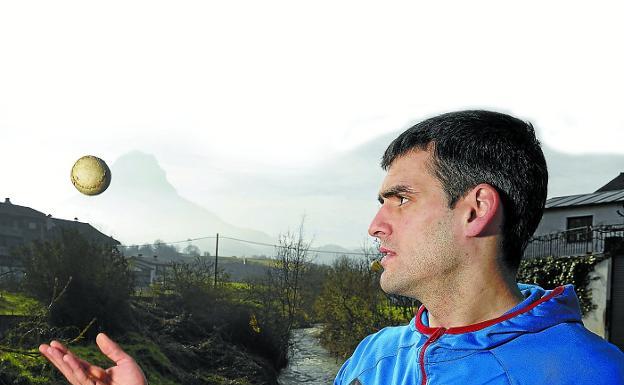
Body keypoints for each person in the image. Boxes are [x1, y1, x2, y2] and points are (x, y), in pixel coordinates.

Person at [40, 110, 624, 385]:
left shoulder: (591, 376)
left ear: (475, 209)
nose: (374, 224)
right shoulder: (377, 354)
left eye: (399, 198)